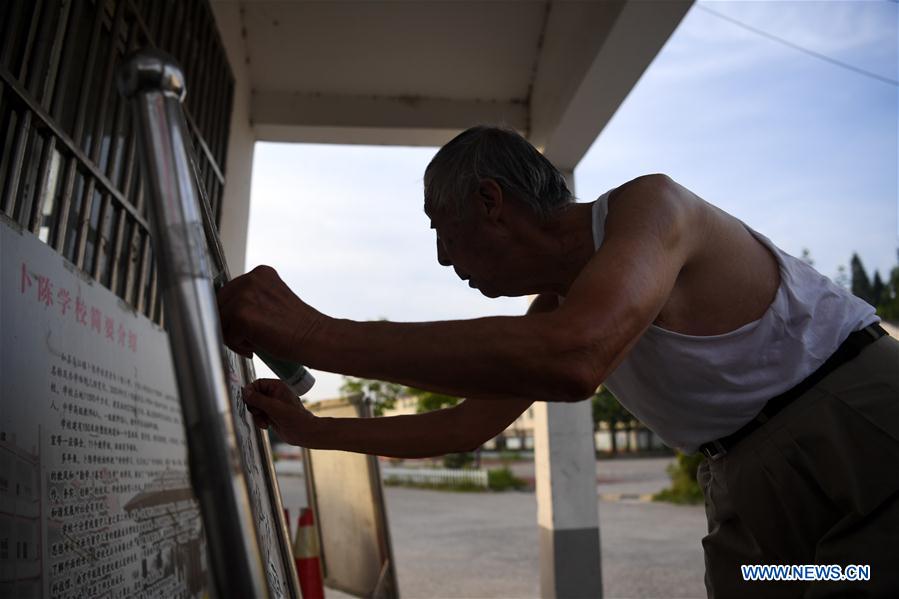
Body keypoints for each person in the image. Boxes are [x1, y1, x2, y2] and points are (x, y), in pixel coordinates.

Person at [217, 125, 898, 598]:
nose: (441, 257)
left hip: (856, 429)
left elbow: (575, 360)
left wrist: (314, 333)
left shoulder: (651, 209)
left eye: (438, 227)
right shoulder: (556, 314)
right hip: (745, 478)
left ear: (490, 201)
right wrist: (314, 431)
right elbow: (462, 426)